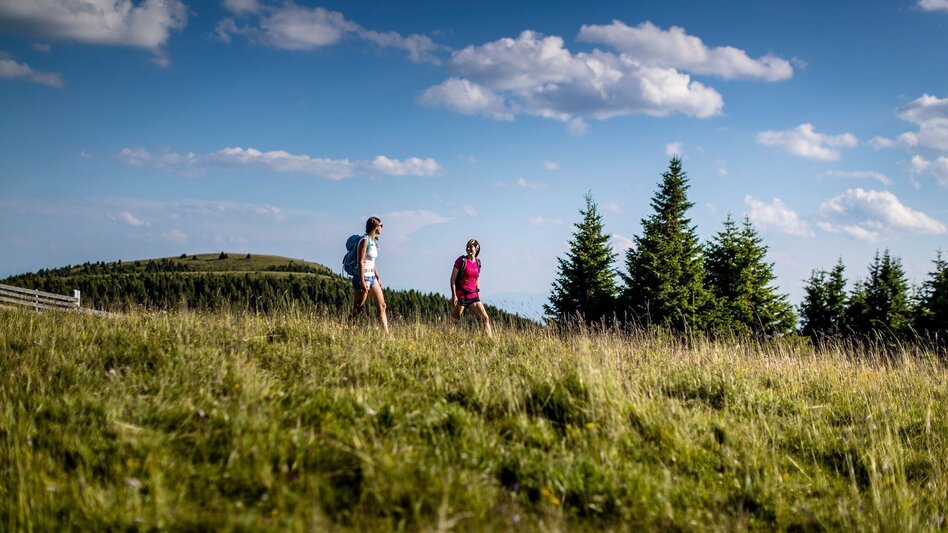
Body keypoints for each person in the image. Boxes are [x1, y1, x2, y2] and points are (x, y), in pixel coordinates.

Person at [350, 217, 389, 334]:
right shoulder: (364, 241)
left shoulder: (374, 242)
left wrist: (378, 276)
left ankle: (387, 336)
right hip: (363, 278)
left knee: (382, 306)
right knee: (358, 308)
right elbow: (360, 261)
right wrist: (362, 280)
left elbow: (372, 261)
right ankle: (349, 328)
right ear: (376, 227)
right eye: (381, 225)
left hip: (372, 278)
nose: (382, 228)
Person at [450, 239, 493, 338]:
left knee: (485, 318)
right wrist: (454, 296)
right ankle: (448, 338)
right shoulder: (461, 261)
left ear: (477, 248)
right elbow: (452, 279)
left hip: (474, 296)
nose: (469, 248)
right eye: (467, 246)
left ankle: (490, 343)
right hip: (462, 295)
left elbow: (476, 278)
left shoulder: (478, 262)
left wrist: (478, 294)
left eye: (471, 247)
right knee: (455, 320)